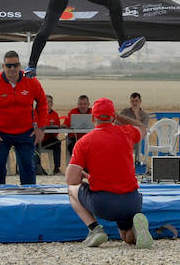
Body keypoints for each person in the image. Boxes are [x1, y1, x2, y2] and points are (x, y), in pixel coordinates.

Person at [65, 97, 153, 248]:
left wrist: (87, 177)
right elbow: (143, 128)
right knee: (126, 237)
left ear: (93, 117)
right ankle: (137, 230)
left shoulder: (84, 142)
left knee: (71, 190)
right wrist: (120, 117)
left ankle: (94, 229)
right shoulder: (127, 133)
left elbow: (71, 179)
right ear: (113, 117)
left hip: (104, 204)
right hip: (132, 201)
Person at [0, 50, 48, 185]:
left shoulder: (31, 81)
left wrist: (41, 128)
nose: (12, 69)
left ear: (20, 66)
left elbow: (43, 103)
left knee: (28, 167)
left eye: (15, 65)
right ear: (3, 67)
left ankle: (30, 199)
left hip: (26, 133)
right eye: (9, 66)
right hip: (0, 134)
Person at [37, 93, 63, 175]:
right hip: (37, 140)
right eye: (46, 101)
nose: (48, 104)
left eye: (50, 102)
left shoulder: (54, 114)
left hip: (48, 139)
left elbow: (57, 129)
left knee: (57, 143)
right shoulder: (37, 112)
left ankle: (56, 168)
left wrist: (52, 131)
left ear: (52, 103)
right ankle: (38, 168)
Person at [123, 92, 151, 167]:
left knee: (137, 139)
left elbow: (143, 128)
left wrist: (137, 115)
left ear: (140, 102)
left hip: (137, 136)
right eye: (132, 101)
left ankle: (137, 161)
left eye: (136, 101)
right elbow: (117, 123)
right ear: (130, 102)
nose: (134, 103)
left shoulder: (144, 115)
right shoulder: (125, 112)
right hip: (125, 136)